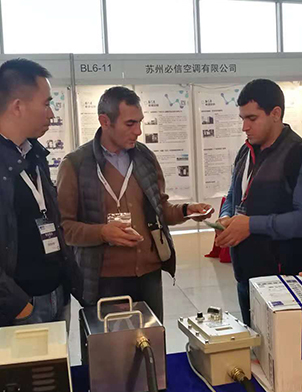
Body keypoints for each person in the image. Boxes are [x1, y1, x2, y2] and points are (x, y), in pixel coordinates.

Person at [57, 86, 213, 322]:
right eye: (130, 124)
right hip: (104, 280)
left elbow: (160, 210)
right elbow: (64, 228)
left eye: (140, 122)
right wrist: (102, 232)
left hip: (149, 275)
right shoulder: (76, 164)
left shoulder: (145, 157)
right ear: (105, 121)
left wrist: (185, 211)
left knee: (151, 339)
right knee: (114, 343)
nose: (138, 131)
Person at [215, 79, 302, 326]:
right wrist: (226, 216)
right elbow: (233, 194)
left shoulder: (301, 157)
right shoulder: (246, 151)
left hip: (284, 284)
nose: (244, 127)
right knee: (253, 345)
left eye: (252, 118)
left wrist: (250, 225)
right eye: (242, 118)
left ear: (275, 114)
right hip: (246, 276)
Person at [0, 59, 82, 328]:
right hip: (19, 308)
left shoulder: (34, 155)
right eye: (46, 104)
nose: (51, 114)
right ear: (18, 106)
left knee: (59, 358)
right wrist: (18, 306)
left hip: (56, 293)